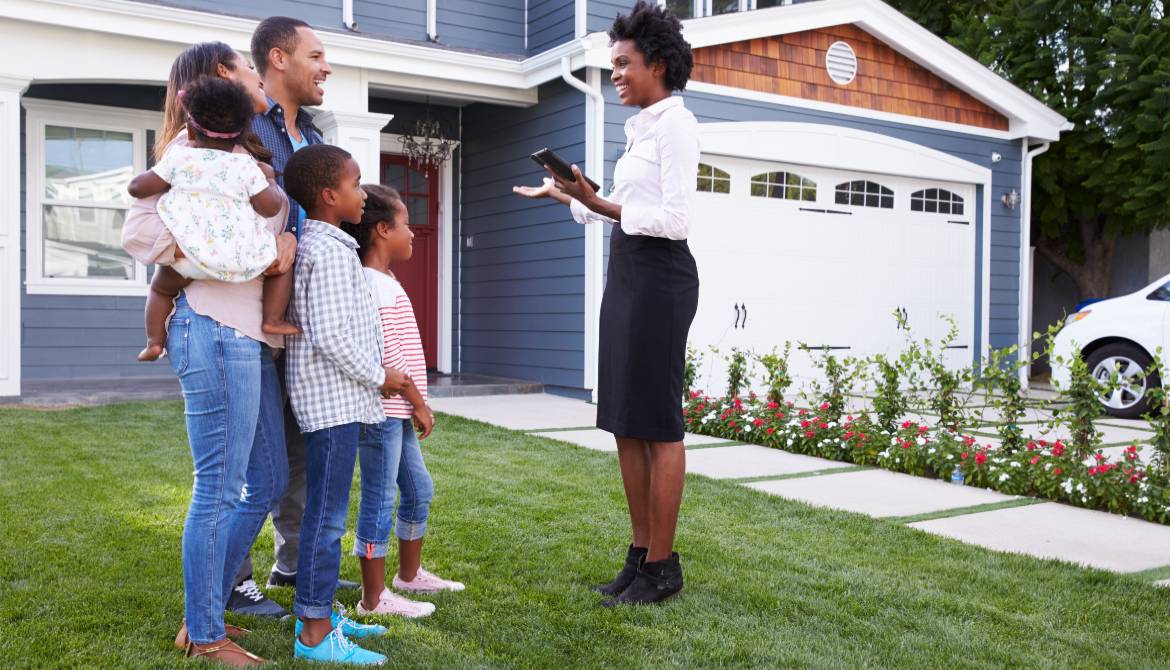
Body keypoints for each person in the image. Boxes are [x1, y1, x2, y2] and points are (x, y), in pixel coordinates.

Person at [512, 0, 699, 605]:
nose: (615, 73)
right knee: (624, 421)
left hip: (661, 279)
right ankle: (640, 555)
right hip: (627, 272)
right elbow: (616, 208)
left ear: (659, 65)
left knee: (658, 425)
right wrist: (569, 194)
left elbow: (672, 219)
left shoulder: (676, 122)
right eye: (612, 63)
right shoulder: (639, 126)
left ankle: (664, 568)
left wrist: (597, 204)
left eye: (624, 63)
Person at [120, 41, 297, 666]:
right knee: (219, 488)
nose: (257, 75)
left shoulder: (242, 156)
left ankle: (207, 610)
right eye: (248, 68)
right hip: (213, 327)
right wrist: (211, 253)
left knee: (266, 479)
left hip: (248, 331)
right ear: (224, 79)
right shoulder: (185, 157)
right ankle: (204, 633)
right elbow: (140, 231)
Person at [229, 16, 356, 616]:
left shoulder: (310, 135)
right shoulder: (239, 128)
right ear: (278, 59)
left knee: (301, 449)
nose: (325, 65)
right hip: (248, 318)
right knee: (252, 461)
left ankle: (294, 565)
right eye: (317, 54)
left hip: (303, 321)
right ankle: (232, 580)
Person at [283, 144, 409, 665]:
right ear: (331, 196)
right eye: (357, 185)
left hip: (337, 401)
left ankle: (322, 615)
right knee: (327, 519)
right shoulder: (330, 252)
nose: (364, 194)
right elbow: (332, 335)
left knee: (327, 514)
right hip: (331, 405)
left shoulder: (330, 245)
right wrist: (383, 376)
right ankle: (313, 633)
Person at [340, 185, 464, 620]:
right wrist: (419, 402)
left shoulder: (385, 280)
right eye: (406, 225)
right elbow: (387, 355)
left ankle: (408, 576)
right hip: (381, 413)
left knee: (418, 490)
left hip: (396, 412)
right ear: (380, 230)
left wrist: (413, 404)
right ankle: (372, 599)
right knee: (378, 500)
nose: (412, 234)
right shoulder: (371, 285)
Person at [129, 76, 297, 362]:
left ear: (191, 131)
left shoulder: (180, 158)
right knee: (283, 265)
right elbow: (269, 208)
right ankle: (272, 318)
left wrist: (159, 178)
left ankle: (154, 341)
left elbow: (138, 188)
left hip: (189, 260)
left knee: (160, 287)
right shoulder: (246, 166)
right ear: (243, 133)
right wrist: (268, 180)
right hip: (243, 261)